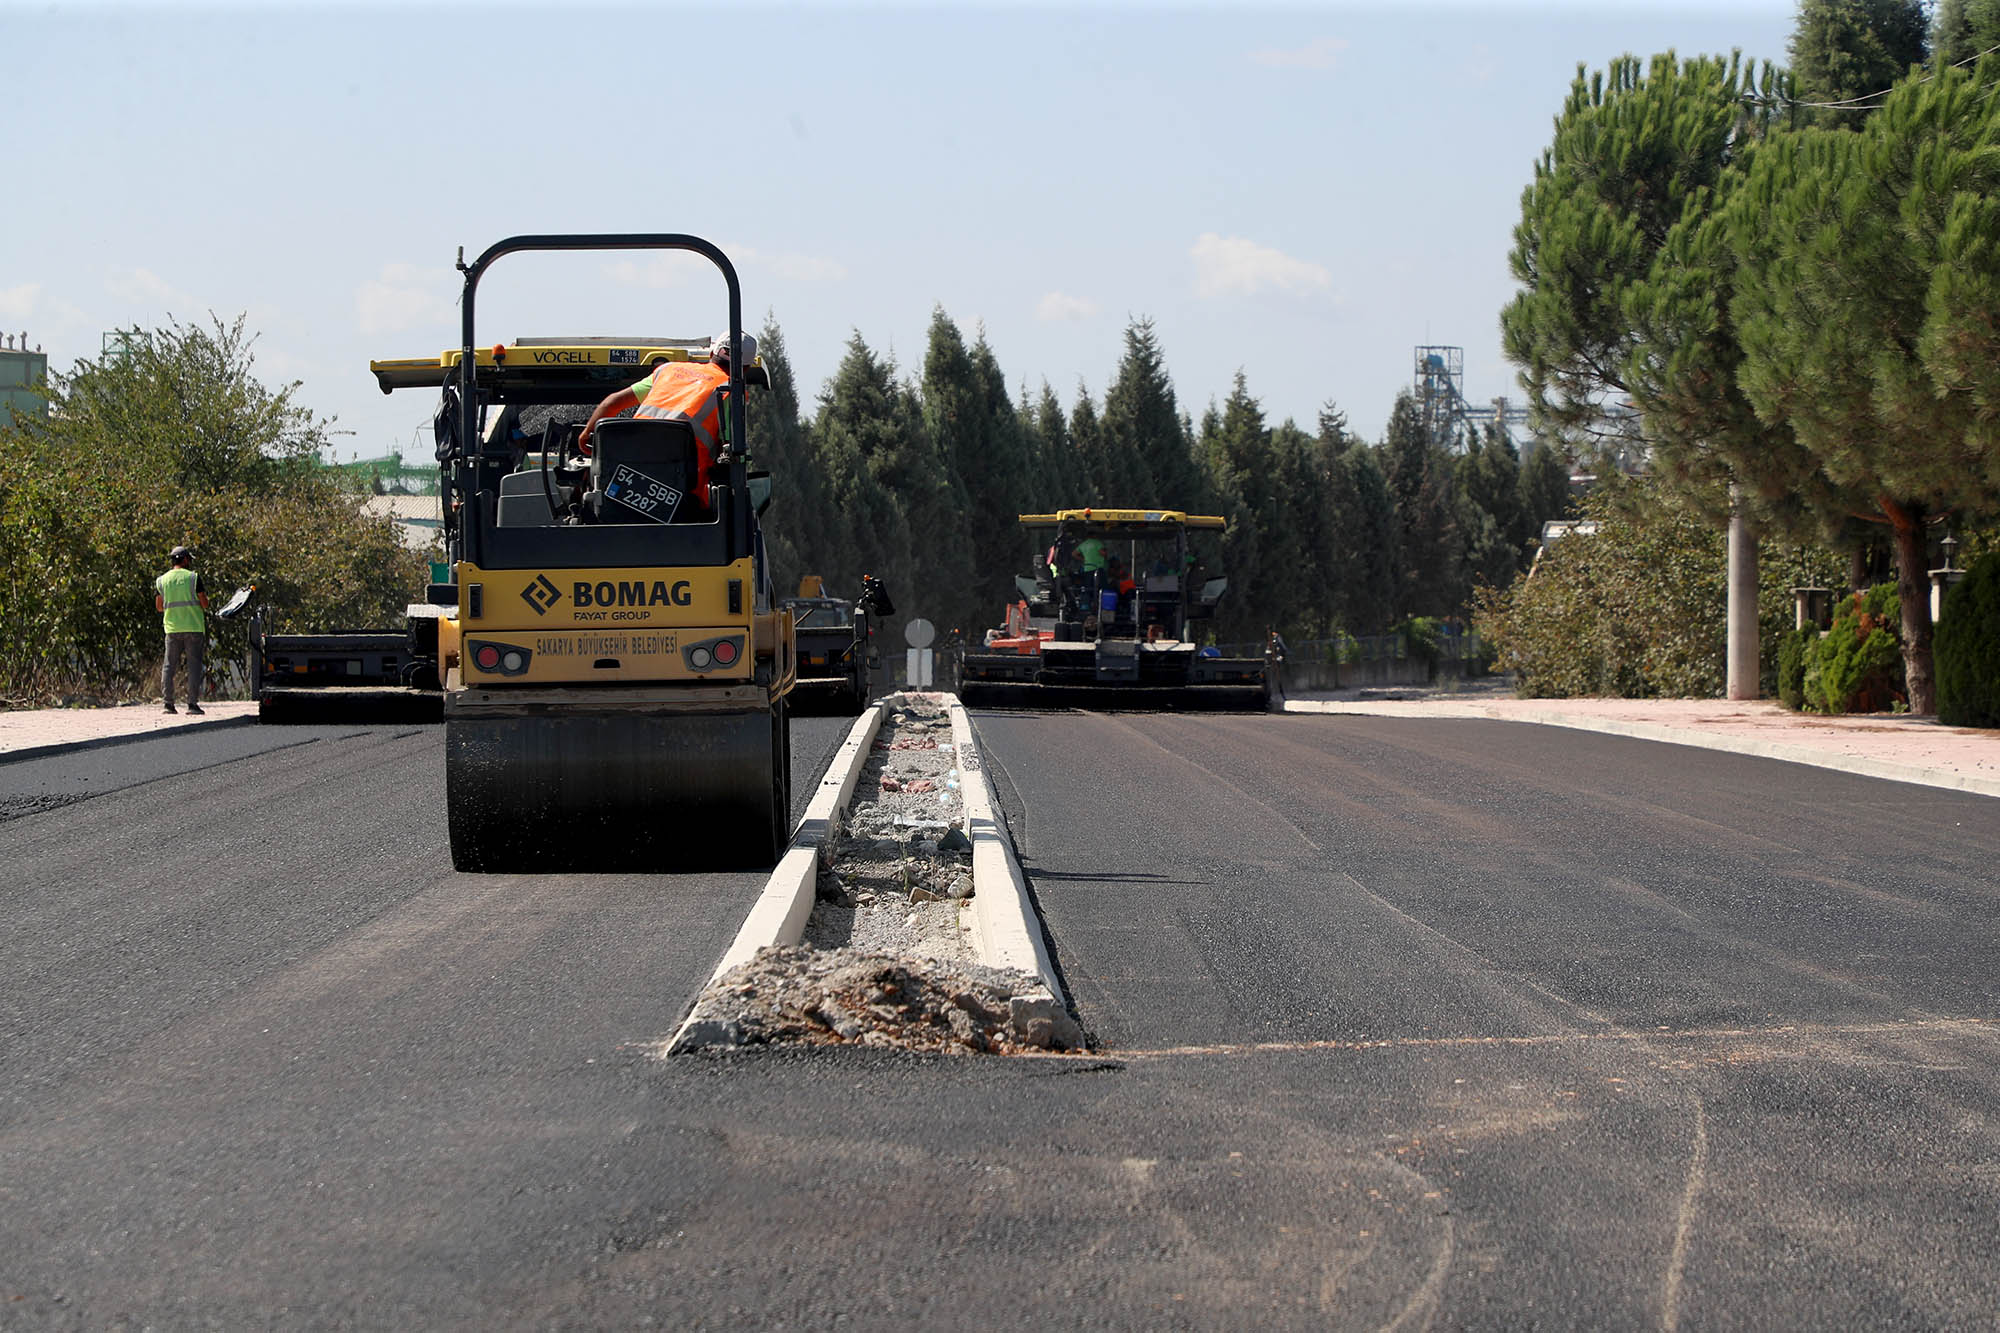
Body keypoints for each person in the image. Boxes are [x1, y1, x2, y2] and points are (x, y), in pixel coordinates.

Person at [576, 332, 756, 509]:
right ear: (746, 368)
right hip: (682, 495)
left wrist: (586, 434)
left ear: (711, 354)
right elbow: (730, 452)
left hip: (625, 478)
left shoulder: (667, 370)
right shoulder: (730, 391)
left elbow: (612, 403)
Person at [154, 545, 210, 714]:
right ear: (185, 559)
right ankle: (192, 704)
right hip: (193, 627)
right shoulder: (193, 578)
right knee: (193, 666)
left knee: (169, 666)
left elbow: (159, 607)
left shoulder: (162, 580)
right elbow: (204, 603)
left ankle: (168, 704)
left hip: (172, 629)